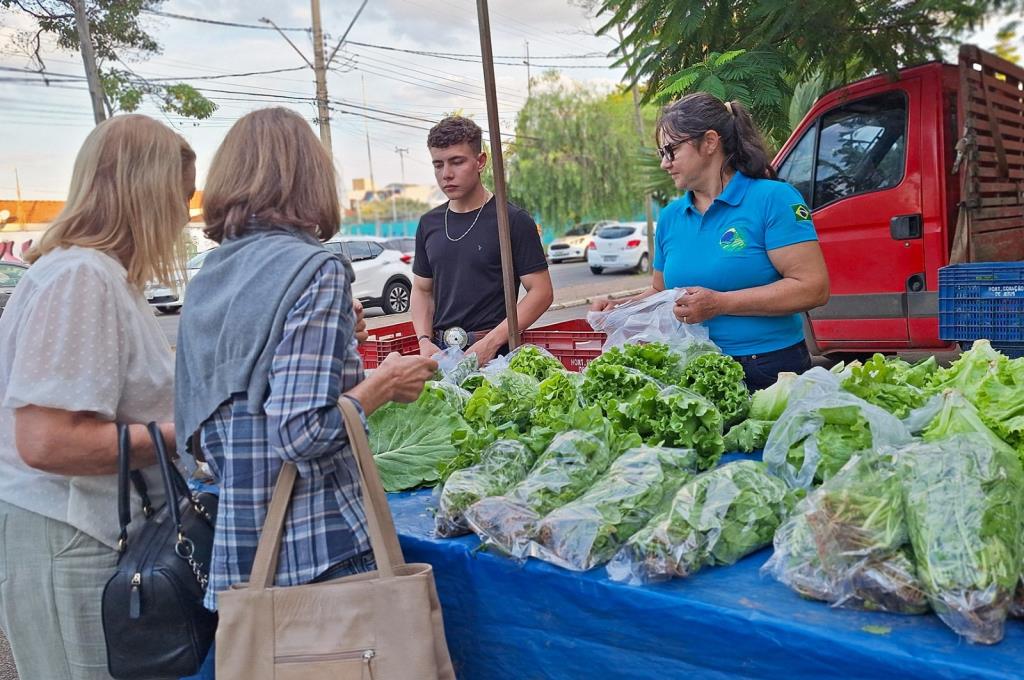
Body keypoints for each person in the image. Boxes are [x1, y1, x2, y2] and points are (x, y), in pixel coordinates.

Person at [175, 107, 437, 620]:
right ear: (309, 178)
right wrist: (384, 383)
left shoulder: (209, 277)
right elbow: (300, 432)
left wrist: (335, 341)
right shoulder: (315, 269)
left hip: (244, 556)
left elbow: (207, 433)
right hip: (319, 552)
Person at [0, 114, 195, 679]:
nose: (184, 217)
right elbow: (47, 442)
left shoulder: (97, 275)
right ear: (145, 193)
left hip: (85, 533)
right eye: (180, 198)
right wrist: (184, 435)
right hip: (69, 536)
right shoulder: (80, 278)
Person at [593, 93, 830, 390]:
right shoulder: (671, 217)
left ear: (709, 142)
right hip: (693, 366)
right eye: (661, 153)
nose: (665, 163)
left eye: (671, 150)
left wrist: (719, 303)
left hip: (768, 367)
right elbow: (661, 290)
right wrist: (619, 308)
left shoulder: (773, 199)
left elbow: (813, 288)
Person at [411, 116, 553, 365]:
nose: (446, 174)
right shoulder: (428, 223)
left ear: (480, 161)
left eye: (457, 162)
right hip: (441, 355)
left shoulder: (511, 220)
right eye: (438, 165)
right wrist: (423, 340)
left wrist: (492, 341)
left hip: (496, 356)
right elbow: (422, 289)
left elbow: (541, 292)